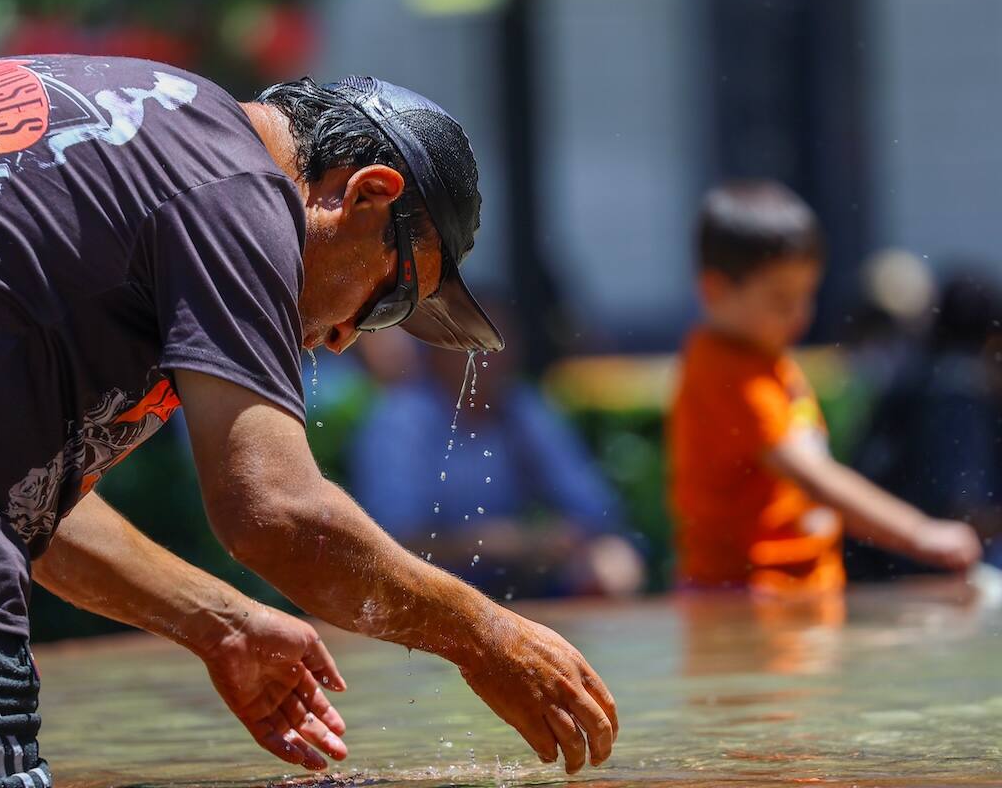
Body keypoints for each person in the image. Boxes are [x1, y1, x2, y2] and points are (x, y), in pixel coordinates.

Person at [0, 57, 616, 786]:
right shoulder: (238, 187)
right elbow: (277, 515)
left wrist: (219, 620)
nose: (343, 336)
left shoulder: (136, 125)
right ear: (364, 195)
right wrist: (484, 636)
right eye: (389, 298)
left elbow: (10, 498)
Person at [667, 180, 982, 595]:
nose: (799, 314)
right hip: (742, 594)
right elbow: (813, 475)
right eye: (780, 300)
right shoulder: (725, 373)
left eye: (806, 295)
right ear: (714, 290)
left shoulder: (767, 360)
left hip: (797, 588)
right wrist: (919, 531)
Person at [349, 313, 647, 600]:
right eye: (476, 343)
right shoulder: (400, 419)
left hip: (523, 579)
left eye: (499, 343)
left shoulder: (522, 407)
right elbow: (391, 541)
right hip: (431, 588)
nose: (492, 355)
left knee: (615, 563)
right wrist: (492, 543)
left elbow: (594, 508)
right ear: (437, 347)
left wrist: (571, 540)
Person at [849, 271, 1002, 578]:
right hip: (918, 573)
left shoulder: (913, 375)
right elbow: (962, 511)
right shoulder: (959, 391)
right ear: (991, 337)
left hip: (870, 560)